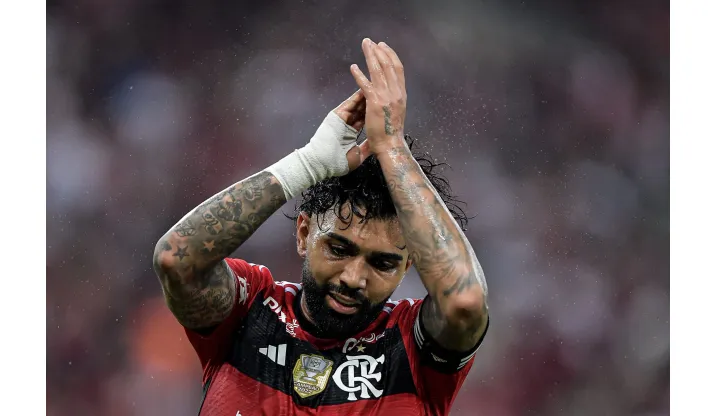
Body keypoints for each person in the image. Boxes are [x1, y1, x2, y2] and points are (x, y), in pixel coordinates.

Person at [153, 38, 489, 416]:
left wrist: (391, 147)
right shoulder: (250, 310)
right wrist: (308, 164)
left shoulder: (409, 347)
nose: (354, 278)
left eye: (382, 263)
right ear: (302, 234)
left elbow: (465, 302)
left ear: (409, 265)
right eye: (339, 248)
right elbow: (177, 260)